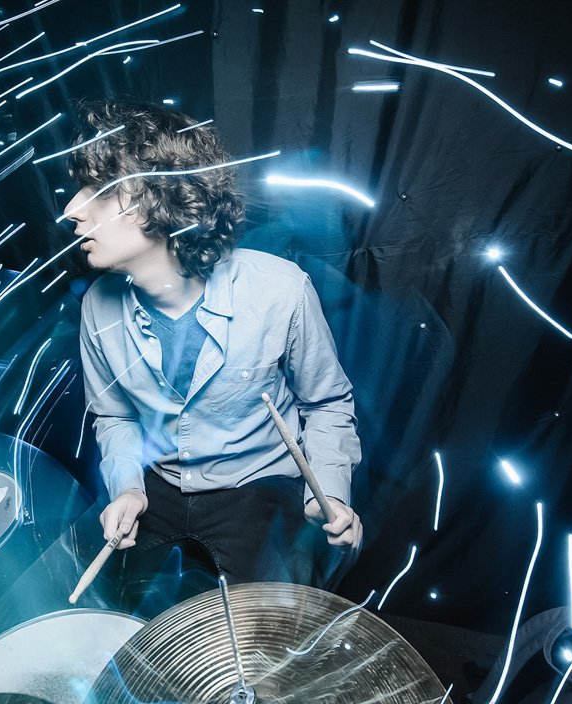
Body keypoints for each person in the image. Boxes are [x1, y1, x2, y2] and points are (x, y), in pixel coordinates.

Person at [65, 99, 362, 591]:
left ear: (161, 195)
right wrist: (127, 488)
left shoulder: (281, 289)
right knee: (96, 605)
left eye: (99, 190)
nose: (72, 210)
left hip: (258, 485)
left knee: (266, 626)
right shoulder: (98, 304)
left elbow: (327, 402)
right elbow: (115, 417)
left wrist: (329, 493)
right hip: (158, 484)